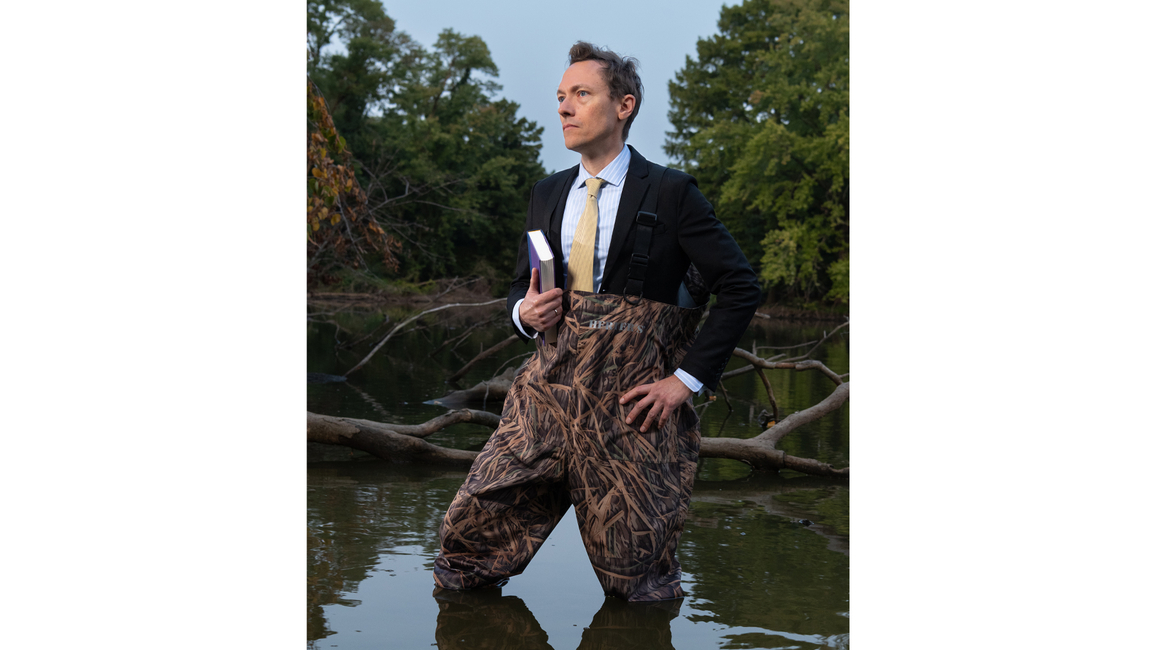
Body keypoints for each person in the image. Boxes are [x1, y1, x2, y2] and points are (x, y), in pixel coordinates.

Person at [433, 42, 760, 602]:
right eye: (561, 97)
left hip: (630, 415)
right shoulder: (546, 193)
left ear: (624, 105)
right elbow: (521, 285)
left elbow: (740, 286)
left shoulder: (673, 192)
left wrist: (684, 381)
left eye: (581, 95)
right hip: (544, 399)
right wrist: (522, 312)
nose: (564, 107)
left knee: (639, 587)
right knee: (466, 547)